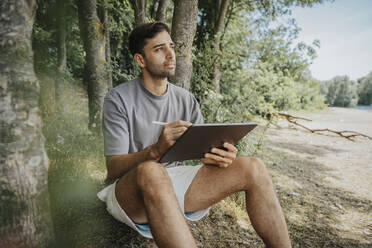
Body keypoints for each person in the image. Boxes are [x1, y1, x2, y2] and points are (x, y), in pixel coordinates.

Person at [97, 22, 292, 248]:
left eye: (171, 46)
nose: (171, 54)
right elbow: (113, 168)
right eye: (159, 49)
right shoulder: (118, 99)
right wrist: (156, 150)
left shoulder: (185, 99)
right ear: (140, 60)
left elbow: (202, 153)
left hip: (176, 181)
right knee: (152, 170)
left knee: (254, 167)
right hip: (129, 190)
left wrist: (220, 156)